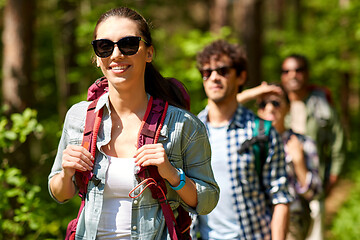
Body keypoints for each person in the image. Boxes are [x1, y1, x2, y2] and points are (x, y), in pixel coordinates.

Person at [48, 7, 219, 240]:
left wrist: (172, 174)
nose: (116, 54)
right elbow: (60, 194)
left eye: (128, 44)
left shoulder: (183, 125)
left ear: (149, 53)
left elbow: (207, 200)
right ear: (97, 58)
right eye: (105, 46)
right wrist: (67, 173)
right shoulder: (78, 117)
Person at [193, 40, 292, 240]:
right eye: (207, 72)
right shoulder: (191, 131)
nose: (214, 77)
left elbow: (280, 197)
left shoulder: (261, 131)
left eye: (223, 71)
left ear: (241, 76)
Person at [238, 82, 322, 240]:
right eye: (263, 104)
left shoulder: (303, 143)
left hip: (291, 221)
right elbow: (220, 108)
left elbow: (314, 193)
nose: (270, 108)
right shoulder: (248, 142)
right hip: (255, 220)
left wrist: (299, 163)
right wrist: (254, 92)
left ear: (288, 107)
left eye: (276, 103)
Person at [280, 54, 346, 240]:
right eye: (287, 71)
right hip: (283, 193)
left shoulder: (322, 106)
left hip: (315, 189)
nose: (293, 75)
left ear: (307, 73)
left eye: (298, 70)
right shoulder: (275, 106)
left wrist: (332, 178)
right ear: (282, 76)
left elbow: (338, 144)